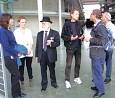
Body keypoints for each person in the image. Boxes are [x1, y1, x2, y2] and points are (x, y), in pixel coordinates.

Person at [84, 9, 107, 98]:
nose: (90, 16)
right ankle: (98, 86)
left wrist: (90, 39)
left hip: (98, 54)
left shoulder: (100, 26)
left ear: (94, 15)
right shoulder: (97, 25)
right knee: (96, 71)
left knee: (97, 72)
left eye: (91, 14)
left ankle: (101, 90)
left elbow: (102, 41)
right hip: (96, 53)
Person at [35, 16, 60, 91]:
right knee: (43, 70)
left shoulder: (55, 33)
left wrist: (51, 44)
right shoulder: (39, 34)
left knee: (52, 69)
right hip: (42, 55)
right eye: (42, 24)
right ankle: (44, 85)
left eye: (44, 24)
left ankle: (53, 82)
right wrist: (36, 56)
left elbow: (58, 43)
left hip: (51, 55)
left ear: (49, 24)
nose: (42, 25)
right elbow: (37, 45)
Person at [61, 8, 84, 89]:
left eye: (78, 14)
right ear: (71, 15)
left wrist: (82, 37)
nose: (78, 15)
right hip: (70, 47)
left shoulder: (79, 24)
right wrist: (70, 38)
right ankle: (67, 80)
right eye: (76, 14)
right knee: (69, 64)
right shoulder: (66, 24)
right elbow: (63, 36)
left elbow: (82, 33)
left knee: (78, 63)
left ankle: (76, 77)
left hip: (78, 47)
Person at [0, 14, 22, 98]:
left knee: (15, 75)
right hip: (8, 57)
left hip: (13, 56)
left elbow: (13, 44)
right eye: (11, 19)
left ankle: (18, 93)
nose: (13, 20)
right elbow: (6, 46)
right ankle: (15, 95)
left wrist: (20, 50)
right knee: (16, 75)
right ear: (7, 20)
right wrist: (17, 53)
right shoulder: (2, 31)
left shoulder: (8, 30)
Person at [13, 16, 33, 90]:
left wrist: (30, 49)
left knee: (29, 67)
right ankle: (22, 82)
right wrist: (18, 52)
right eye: (22, 22)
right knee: (21, 68)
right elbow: (15, 43)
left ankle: (31, 79)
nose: (24, 23)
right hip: (20, 53)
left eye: (25, 22)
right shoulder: (16, 32)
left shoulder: (29, 31)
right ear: (19, 23)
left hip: (29, 52)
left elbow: (31, 41)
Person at [101, 12, 115, 84]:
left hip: (108, 48)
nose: (101, 18)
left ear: (106, 18)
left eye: (102, 17)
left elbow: (114, 38)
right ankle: (101, 77)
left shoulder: (111, 26)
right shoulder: (104, 25)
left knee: (108, 63)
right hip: (104, 47)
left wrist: (110, 46)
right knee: (102, 62)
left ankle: (108, 78)